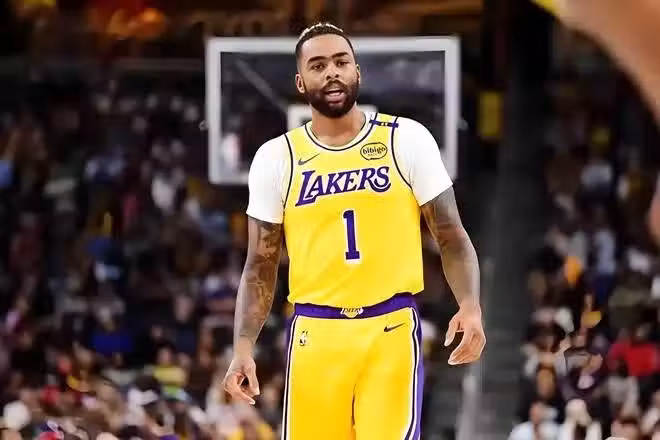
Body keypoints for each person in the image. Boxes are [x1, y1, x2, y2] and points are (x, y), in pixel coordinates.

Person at [222, 22, 485, 440]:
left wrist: (469, 305)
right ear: (300, 82)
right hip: (315, 333)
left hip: (390, 329)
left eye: (341, 62)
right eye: (318, 65)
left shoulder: (407, 139)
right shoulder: (277, 158)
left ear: (357, 72)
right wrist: (242, 347)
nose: (331, 72)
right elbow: (260, 263)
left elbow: (451, 234)